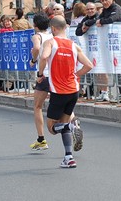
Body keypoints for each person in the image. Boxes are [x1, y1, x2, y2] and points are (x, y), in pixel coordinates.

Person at [37, 16, 93, 168]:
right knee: (63, 121)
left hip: (58, 91)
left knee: (51, 128)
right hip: (73, 90)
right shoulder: (73, 45)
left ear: (53, 29)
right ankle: (69, 157)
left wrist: (40, 74)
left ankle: (71, 127)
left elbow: (43, 56)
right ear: (65, 28)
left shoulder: (51, 42)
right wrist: (77, 74)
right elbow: (89, 65)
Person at [29, 13, 53, 151]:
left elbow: (37, 48)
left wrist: (33, 60)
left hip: (43, 74)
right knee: (60, 103)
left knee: (37, 106)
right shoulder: (52, 36)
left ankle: (41, 139)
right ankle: (73, 124)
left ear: (35, 26)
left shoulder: (37, 36)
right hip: (55, 74)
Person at [96, 0, 121, 102]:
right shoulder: (105, 10)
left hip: (119, 43)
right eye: (102, 1)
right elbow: (97, 19)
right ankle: (110, 93)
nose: (104, 2)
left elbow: (112, 19)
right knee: (110, 67)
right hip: (110, 43)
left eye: (106, 0)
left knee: (120, 68)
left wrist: (101, 21)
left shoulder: (116, 8)